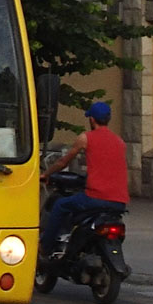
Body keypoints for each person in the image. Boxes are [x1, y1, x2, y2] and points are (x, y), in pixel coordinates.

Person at [39, 101, 130, 257]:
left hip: (95, 198)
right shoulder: (120, 142)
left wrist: (46, 174)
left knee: (60, 205)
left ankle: (45, 247)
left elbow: (63, 162)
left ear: (92, 120)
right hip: (119, 202)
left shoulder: (86, 138)